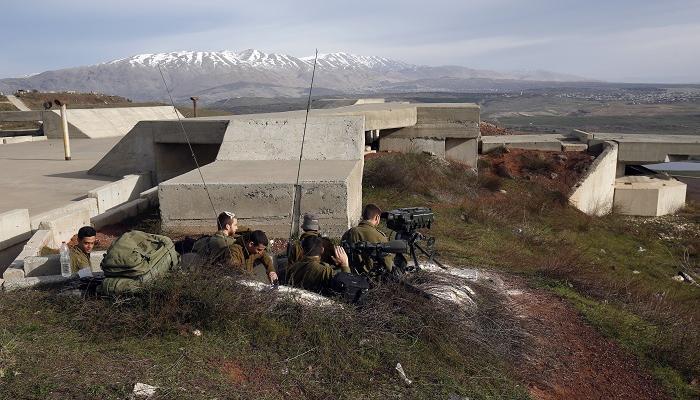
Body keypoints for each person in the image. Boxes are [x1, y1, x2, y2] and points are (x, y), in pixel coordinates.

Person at [341, 203, 394, 275]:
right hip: (371, 280)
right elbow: (388, 266)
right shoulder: (379, 236)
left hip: (350, 278)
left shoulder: (348, 233)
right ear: (377, 218)